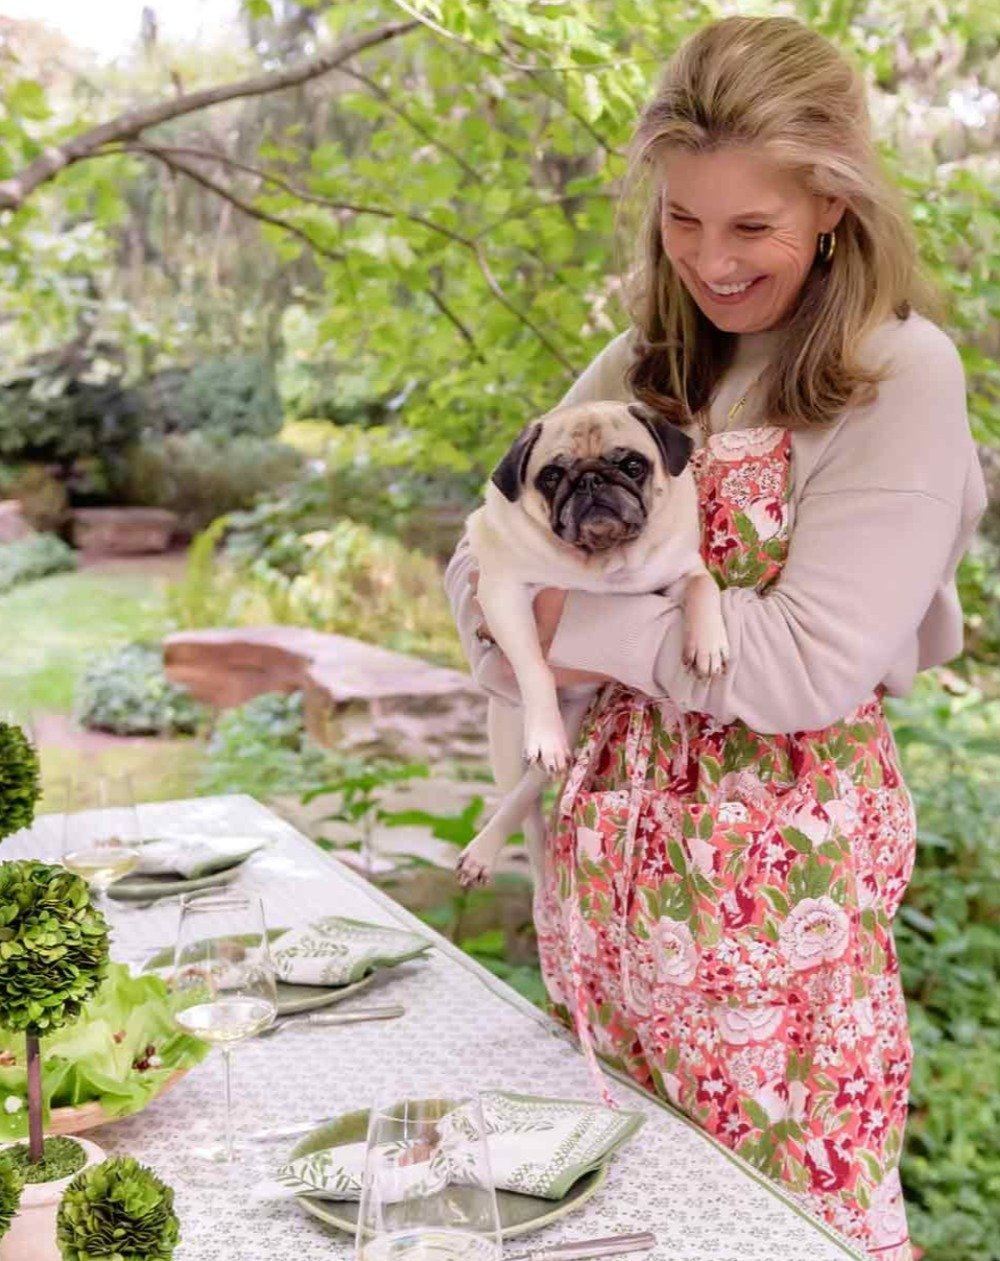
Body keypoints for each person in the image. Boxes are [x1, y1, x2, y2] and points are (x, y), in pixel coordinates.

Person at [444, 15, 987, 1261]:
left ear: (836, 205)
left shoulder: (896, 373)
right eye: (682, 222)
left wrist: (565, 621)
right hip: (604, 910)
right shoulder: (651, 359)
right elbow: (479, 577)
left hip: (769, 925)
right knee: (616, 1225)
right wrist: (540, 620)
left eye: (752, 226)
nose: (711, 261)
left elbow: (807, 668)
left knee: (781, 1229)